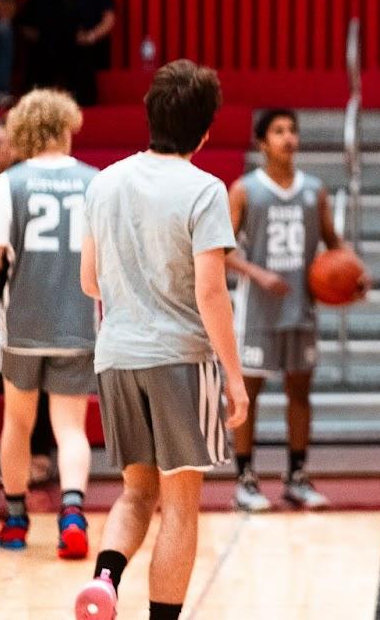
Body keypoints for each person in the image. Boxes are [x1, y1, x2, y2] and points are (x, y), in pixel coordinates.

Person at [71, 60, 248, 620]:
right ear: (206, 129)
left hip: (116, 357)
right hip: (179, 360)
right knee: (180, 507)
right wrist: (236, 378)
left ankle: (105, 578)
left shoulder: (105, 181)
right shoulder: (204, 190)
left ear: (150, 115)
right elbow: (211, 293)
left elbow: (89, 281)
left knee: (135, 493)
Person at [0, 90, 98, 559]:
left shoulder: (8, 184)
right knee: (70, 428)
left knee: (17, 422)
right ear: (65, 125)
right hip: (78, 324)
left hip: (23, 327)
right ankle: (72, 513)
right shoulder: (96, 183)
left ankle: (15, 520)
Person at [226, 108, 358, 513]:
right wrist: (258, 275)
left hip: (301, 305)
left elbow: (334, 243)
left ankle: (296, 475)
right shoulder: (245, 189)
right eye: (278, 131)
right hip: (258, 311)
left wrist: (355, 273)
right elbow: (224, 249)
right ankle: (245, 479)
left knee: (299, 393)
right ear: (262, 142)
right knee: (248, 394)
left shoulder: (313, 190)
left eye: (292, 130)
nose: (288, 137)